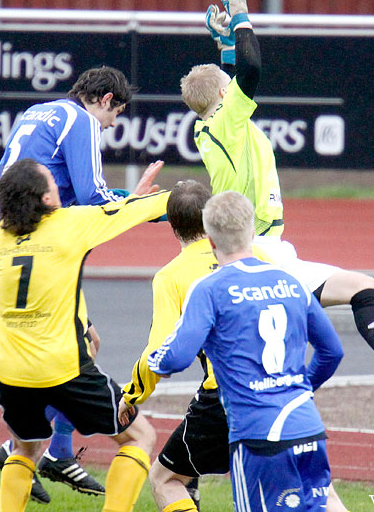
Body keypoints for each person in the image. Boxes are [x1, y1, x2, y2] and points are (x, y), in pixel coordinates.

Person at [180, 0, 374, 389]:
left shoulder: (209, 124)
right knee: (348, 301)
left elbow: (231, 73)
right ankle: (295, 392)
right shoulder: (228, 118)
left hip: (267, 250)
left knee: (357, 290)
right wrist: (240, 15)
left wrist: (224, 42)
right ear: (222, 96)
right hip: (262, 251)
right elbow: (250, 68)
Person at [122, 180, 350, 512]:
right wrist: (299, 388)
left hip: (250, 422)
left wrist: (134, 387)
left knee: (165, 479)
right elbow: (332, 352)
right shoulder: (288, 278)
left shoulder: (205, 286)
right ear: (250, 231)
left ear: (211, 237)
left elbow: (173, 357)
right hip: (303, 417)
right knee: (324, 498)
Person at [0, 65, 136, 501]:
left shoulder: (39, 111)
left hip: (8, 235)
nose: (112, 124)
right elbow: (93, 196)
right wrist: (146, 206)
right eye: (116, 115)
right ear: (105, 100)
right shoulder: (82, 120)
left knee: (85, 343)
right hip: (20, 243)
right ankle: (23, 449)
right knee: (63, 351)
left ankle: (50, 450)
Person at [0, 157, 168, 512]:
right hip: (62, 368)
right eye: (52, 183)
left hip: (9, 371)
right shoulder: (69, 224)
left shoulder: (1, 232)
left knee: (25, 447)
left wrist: (127, 201)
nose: (59, 186)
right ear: (44, 200)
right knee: (140, 436)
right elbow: (153, 206)